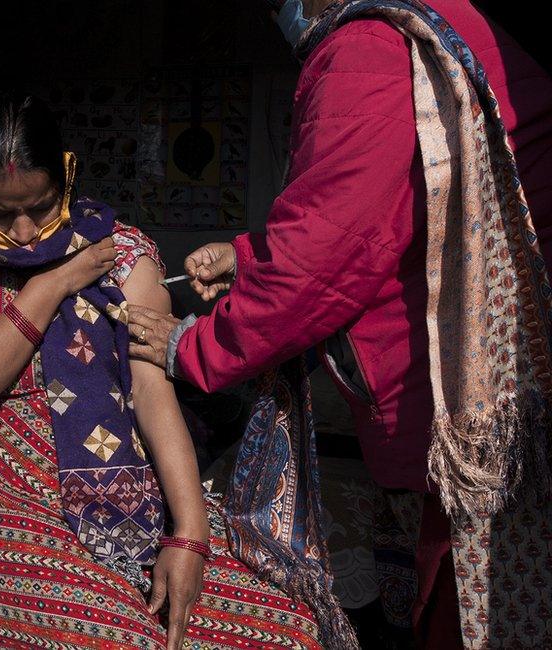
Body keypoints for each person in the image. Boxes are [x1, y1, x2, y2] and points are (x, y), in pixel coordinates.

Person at [128, 1, 552, 647]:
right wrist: (248, 258)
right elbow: (385, 204)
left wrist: (195, 346)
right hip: (514, 371)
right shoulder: (447, 19)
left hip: (467, 402)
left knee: (472, 609)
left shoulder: (366, 50)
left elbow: (326, 253)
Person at [0, 96, 322, 649]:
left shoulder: (120, 252)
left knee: (283, 627)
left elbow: (151, 392)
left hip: (131, 500)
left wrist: (190, 535)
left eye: (43, 206)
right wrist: (52, 284)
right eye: (0, 213)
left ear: (68, 176)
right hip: (3, 502)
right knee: (122, 640)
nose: (25, 232)